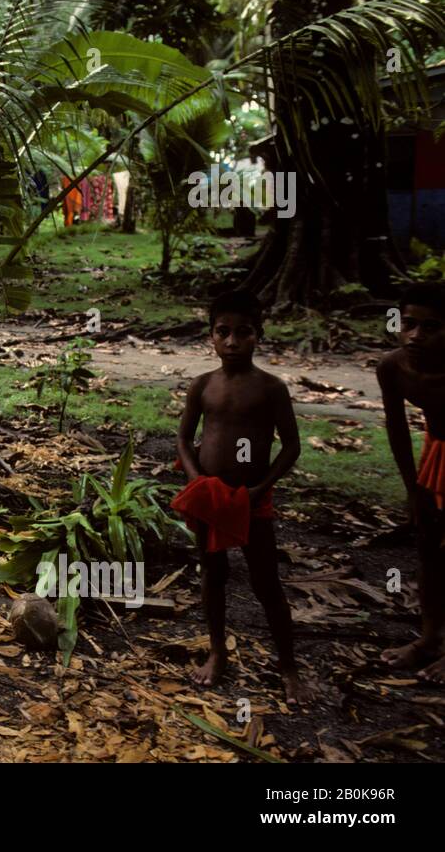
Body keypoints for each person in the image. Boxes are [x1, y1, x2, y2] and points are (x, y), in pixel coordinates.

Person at [174, 290, 312, 704]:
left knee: (266, 580)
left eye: (243, 333)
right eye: (223, 332)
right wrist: (198, 480)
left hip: (253, 500)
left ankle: (288, 666)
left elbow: (290, 445)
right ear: (211, 337)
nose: (232, 342)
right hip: (210, 496)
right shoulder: (203, 386)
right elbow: (184, 438)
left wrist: (260, 488)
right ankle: (217, 652)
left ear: (259, 336)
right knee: (212, 575)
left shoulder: (270, 389)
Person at [376, 283, 445, 683]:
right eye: (409, 323)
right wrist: (413, 488)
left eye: (432, 327)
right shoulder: (393, 367)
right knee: (428, 548)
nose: (416, 335)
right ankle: (430, 638)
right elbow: (398, 430)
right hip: (436, 454)